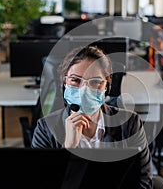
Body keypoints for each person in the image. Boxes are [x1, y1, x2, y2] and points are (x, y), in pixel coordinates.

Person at [31, 46, 153, 188]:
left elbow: (144, 182)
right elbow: (42, 183)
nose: (84, 90)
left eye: (95, 82)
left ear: (106, 86)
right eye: (75, 81)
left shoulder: (130, 123)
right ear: (65, 82)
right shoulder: (45, 128)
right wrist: (68, 149)